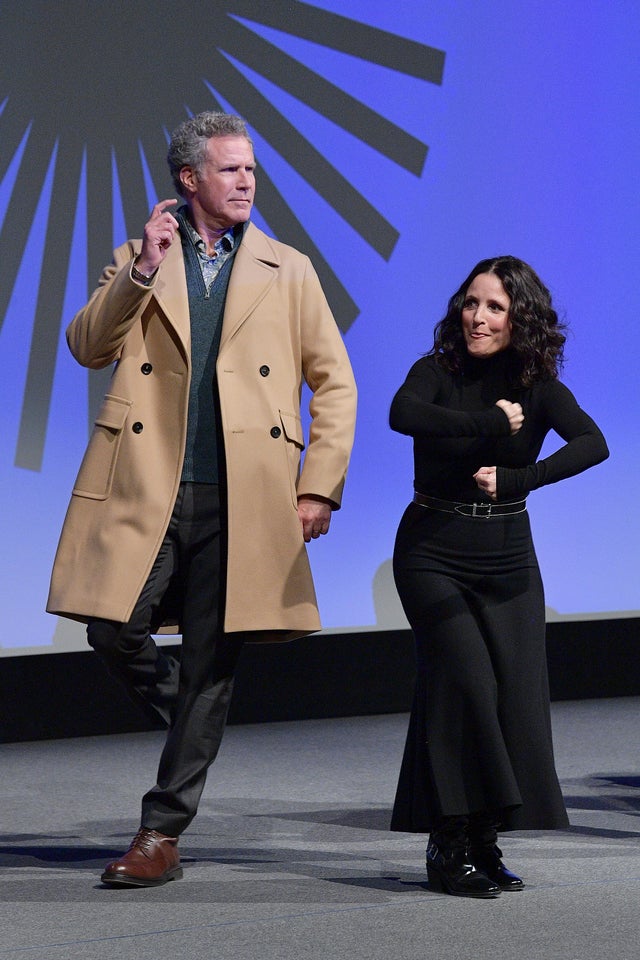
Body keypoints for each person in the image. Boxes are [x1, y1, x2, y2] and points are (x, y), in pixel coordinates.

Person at [47, 111, 357, 887]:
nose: (246, 182)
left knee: (216, 662)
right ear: (188, 180)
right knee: (113, 630)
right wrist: (142, 271)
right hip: (149, 482)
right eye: (230, 170)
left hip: (247, 495)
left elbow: (336, 382)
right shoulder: (138, 256)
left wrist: (318, 482)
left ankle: (160, 834)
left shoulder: (290, 269)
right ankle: (195, 713)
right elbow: (88, 345)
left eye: (250, 169)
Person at [389, 255, 608, 898]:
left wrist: (520, 477)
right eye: (471, 303)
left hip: (509, 555)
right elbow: (404, 414)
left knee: (513, 696)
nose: (478, 318)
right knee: (466, 686)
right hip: (432, 550)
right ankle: (447, 840)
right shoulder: (436, 372)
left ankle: (484, 841)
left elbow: (593, 442)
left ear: (521, 320)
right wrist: (488, 424)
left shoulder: (537, 383)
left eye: (495, 308)